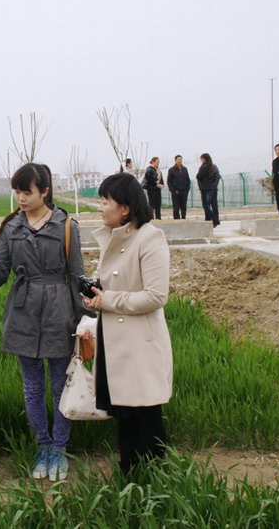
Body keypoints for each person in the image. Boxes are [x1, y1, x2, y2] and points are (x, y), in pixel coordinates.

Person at [0, 163, 85, 482]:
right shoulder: (11, 228)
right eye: (17, 192)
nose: (21, 198)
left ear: (45, 191)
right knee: (32, 386)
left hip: (59, 311)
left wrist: (83, 320)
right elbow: (0, 275)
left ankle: (59, 447)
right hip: (23, 311)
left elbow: (77, 275)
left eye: (27, 192)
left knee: (61, 385)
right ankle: (42, 446)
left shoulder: (67, 225)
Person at [80, 173, 173, 478]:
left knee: (144, 412)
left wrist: (107, 300)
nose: (99, 207)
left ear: (125, 208)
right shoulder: (115, 236)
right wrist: (93, 297)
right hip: (116, 341)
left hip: (139, 343)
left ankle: (153, 478)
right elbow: (110, 288)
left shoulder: (149, 238)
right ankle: (130, 475)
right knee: (125, 412)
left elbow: (156, 296)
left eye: (104, 201)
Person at [196, 153, 221, 227]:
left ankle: (213, 220)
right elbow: (218, 176)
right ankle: (214, 221)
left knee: (206, 206)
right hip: (213, 188)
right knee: (214, 205)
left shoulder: (203, 167)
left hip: (205, 188)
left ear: (204, 159)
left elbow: (199, 176)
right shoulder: (214, 166)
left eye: (201, 159)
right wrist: (214, 185)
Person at [166, 155, 191, 220]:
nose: (180, 161)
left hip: (184, 191)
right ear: (175, 160)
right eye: (178, 159)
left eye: (180, 159)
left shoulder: (184, 169)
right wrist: (172, 190)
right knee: (176, 206)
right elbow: (169, 181)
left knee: (183, 205)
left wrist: (187, 188)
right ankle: (176, 218)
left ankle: (183, 217)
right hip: (176, 191)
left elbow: (188, 179)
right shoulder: (171, 170)